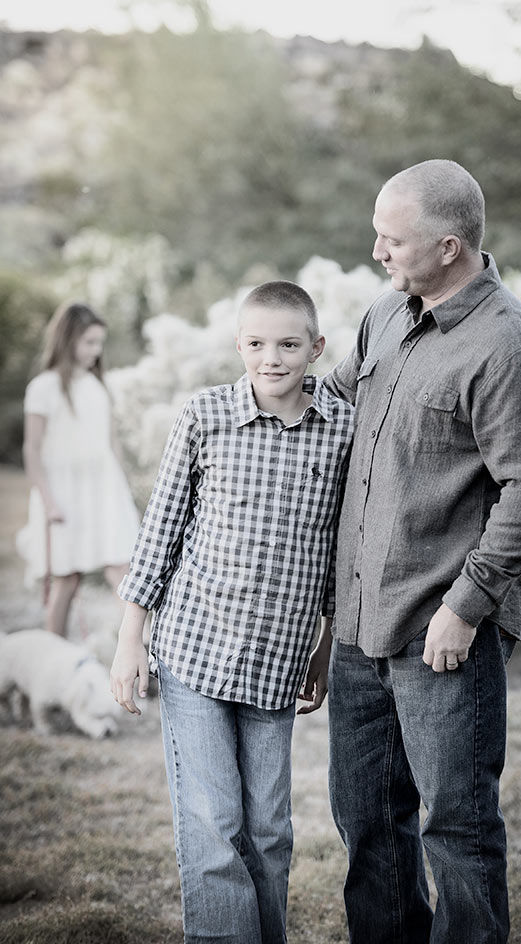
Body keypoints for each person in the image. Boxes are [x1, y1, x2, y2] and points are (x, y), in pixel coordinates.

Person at [325, 160, 521, 944]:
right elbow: (330, 409)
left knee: (457, 835)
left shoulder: (506, 346)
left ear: (450, 246)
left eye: (392, 240)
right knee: (367, 827)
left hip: (440, 636)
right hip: (361, 626)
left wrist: (465, 608)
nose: (376, 251)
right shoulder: (383, 318)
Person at [110, 281, 354, 944]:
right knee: (214, 824)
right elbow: (160, 529)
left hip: (277, 662)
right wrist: (131, 639)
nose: (270, 357)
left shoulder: (339, 433)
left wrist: (325, 650)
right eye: (254, 343)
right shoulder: (205, 416)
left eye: (287, 344)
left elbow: (336, 550)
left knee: (269, 830)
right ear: (237, 344)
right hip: (194, 650)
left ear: (316, 348)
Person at [18, 301, 140, 636]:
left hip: (102, 488)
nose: (96, 351)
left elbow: (110, 441)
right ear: (67, 339)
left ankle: (140, 648)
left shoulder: (97, 385)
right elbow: (32, 448)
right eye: (89, 342)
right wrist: (48, 501)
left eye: (99, 342)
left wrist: (121, 487)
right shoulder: (44, 387)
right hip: (63, 492)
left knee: (122, 568)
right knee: (66, 578)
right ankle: (51, 652)